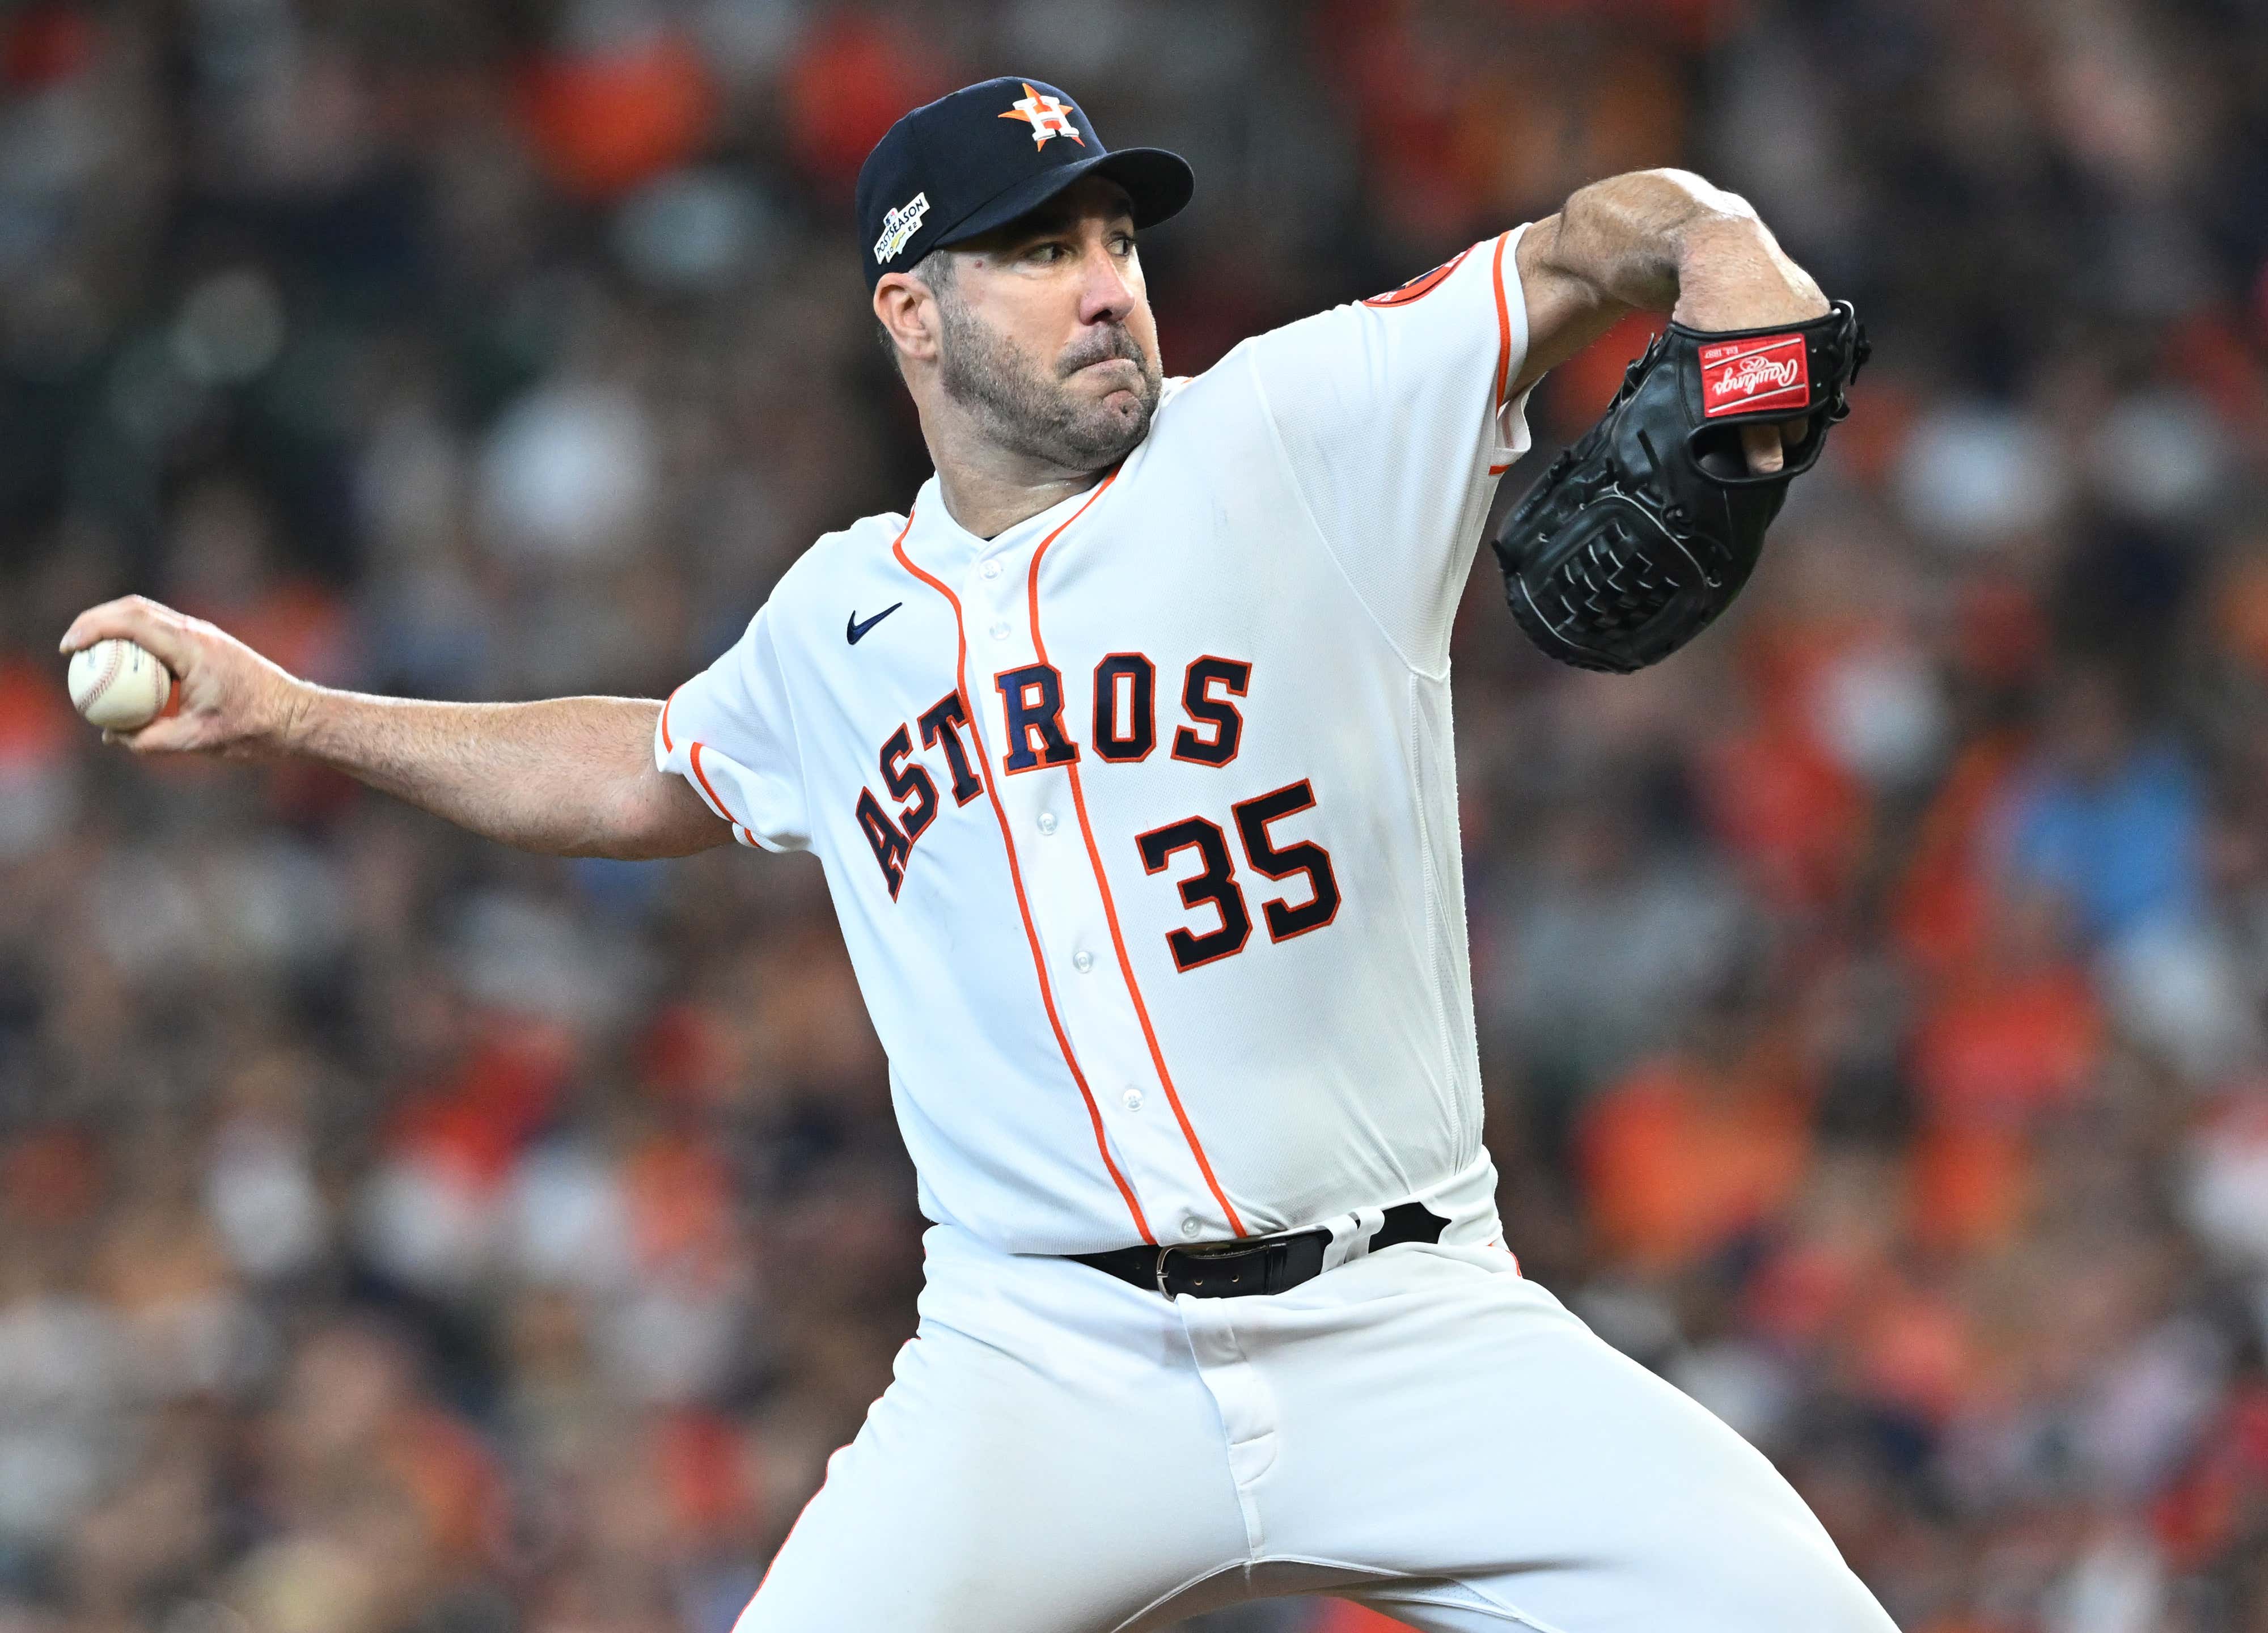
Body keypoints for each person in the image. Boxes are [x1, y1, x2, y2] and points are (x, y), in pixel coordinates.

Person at [63, 77, 1893, 1633]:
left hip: (1412, 1316)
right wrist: (296, 714)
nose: (1106, 290)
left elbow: (1591, 243)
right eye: (1037, 251)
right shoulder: (839, 615)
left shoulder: (1296, 431)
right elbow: (645, 772)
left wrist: (1724, 246)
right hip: (1044, 1368)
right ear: (911, 314)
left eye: (1118, 243)